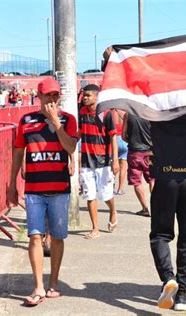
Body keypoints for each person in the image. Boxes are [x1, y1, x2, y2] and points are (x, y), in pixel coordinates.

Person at [7, 77, 78, 306]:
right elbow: (18, 152)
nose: (52, 99)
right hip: (34, 190)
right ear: (39, 96)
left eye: (56, 95)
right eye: (48, 95)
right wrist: (11, 185)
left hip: (59, 189)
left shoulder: (69, 120)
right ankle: (38, 286)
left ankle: (53, 283)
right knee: (35, 236)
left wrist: (56, 123)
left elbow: (71, 147)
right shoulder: (26, 121)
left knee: (57, 237)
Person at [149, 110, 186, 312]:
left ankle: (168, 278)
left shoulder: (155, 109)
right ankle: (181, 295)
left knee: (160, 235)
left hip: (165, 179)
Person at [78, 84, 119, 240]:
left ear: (96, 96)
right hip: (87, 162)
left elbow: (113, 137)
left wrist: (115, 160)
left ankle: (112, 211)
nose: (85, 98)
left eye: (88, 95)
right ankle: (95, 228)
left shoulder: (106, 114)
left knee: (106, 195)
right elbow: (80, 134)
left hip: (104, 161)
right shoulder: (82, 112)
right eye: (84, 95)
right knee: (90, 196)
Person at [121, 112, 154, 217]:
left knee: (137, 182)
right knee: (152, 179)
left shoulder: (128, 115)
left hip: (134, 153)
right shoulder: (150, 114)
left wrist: (132, 141)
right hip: (150, 152)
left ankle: (145, 209)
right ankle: (156, 208)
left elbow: (123, 136)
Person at [112, 109, 128, 195]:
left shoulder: (110, 113)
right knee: (123, 167)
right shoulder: (125, 113)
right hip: (124, 140)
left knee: (113, 165)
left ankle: (111, 188)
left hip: (114, 140)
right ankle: (120, 189)